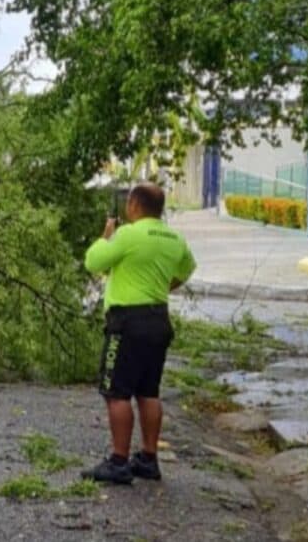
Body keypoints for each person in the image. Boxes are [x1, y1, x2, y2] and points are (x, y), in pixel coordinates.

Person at [81, 183, 196, 485]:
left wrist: (106, 234)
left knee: (117, 392)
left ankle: (119, 461)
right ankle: (148, 457)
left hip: (127, 323)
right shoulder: (175, 238)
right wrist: (161, 288)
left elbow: (93, 262)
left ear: (134, 205)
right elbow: (186, 270)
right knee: (148, 391)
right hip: (158, 319)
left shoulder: (128, 235)